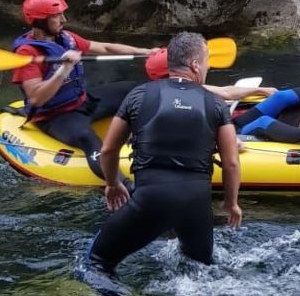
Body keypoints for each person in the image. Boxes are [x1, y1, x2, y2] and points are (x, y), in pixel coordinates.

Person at [86, 30, 241, 279]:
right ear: (194, 65)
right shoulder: (215, 104)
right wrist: (231, 203)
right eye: (207, 60)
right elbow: (231, 162)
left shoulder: (138, 95)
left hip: (151, 197)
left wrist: (113, 184)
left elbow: (108, 149)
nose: (209, 66)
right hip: (197, 203)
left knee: (97, 261)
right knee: (200, 270)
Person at [12, 0, 154, 178]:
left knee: (140, 89)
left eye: (62, 14)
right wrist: (63, 70)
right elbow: (37, 98)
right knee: (88, 139)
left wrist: (147, 51)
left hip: (83, 101)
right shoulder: (27, 53)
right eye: (57, 16)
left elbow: (105, 47)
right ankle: (125, 189)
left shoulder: (66, 38)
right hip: (55, 116)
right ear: (40, 21)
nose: (64, 19)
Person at [144, 50, 300, 150]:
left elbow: (226, 92)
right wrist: (230, 140)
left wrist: (260, 90)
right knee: (263, 123)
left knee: (279, 97)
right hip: (230, 133)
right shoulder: (172, 104)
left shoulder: (191, 86)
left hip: (230, 123)